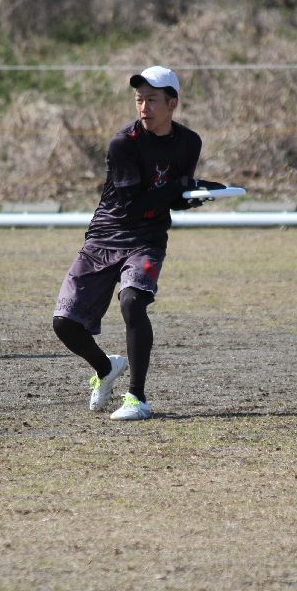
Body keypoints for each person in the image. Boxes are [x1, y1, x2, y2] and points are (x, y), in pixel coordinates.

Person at [52, 66, 223, 421]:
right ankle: (105, 368)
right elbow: (134, 204)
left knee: (132, 302)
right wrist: (181, 189)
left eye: (152, 100)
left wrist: (195, 195)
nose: (144, 107)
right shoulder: (123, 143)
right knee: (64, 324)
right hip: (105, 235)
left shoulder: (189, 142)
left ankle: (136, 398)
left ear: (172, 103)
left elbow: (170, 199)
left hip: (147, 239)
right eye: (139, 100)